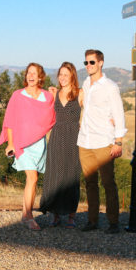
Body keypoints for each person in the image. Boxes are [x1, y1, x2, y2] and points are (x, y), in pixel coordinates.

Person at [0, 63, 56, 230]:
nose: (31, 76)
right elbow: (9, 121)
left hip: (39, 144)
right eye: (28, 73)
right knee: (33, 178)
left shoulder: (47, 96)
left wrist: (56, 95)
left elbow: (54, 114)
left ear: (40, 77)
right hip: (21, 144)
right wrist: (10, 143)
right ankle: (28, 216)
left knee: (32, 179)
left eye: (34, 73)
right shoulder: (17, 95)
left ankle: (24, 213)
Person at [76, 49, 127, 234]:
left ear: (101, 63)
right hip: (85, 141)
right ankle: (92, 220)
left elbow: (119, 115)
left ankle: (113, 222)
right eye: (86, 63)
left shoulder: (110, 87)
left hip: (104, 141)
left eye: (92, 62)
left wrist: (118, 141)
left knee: (108, 183)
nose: (88, 66)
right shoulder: (86, 84)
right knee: (90, 183)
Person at [39, 62, 84, 228]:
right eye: (60, 74)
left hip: (74, 139)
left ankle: (71, 215)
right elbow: (43, 113)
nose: (62, 78)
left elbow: (90, 115)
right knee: (55, 176)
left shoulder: (81, 93)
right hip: (57, 138)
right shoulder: (54, 93)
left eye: (66, 74)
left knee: (71, 177)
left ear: (72, 75)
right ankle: (55, 214)